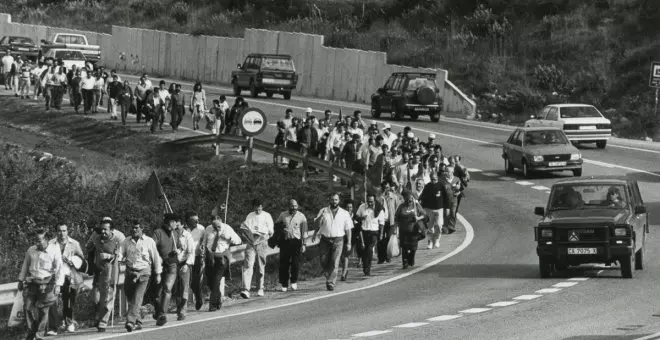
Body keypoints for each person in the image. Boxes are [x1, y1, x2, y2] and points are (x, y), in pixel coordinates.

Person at [18, 228, 63, 340]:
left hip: (47, 283)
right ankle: (32, 330)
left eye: (39, 240)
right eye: (35, 240)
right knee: (27, 307)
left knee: (43, 310)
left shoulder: (54, 250)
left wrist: (58, 285)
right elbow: (25, 266)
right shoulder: (30, 250)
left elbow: (59, 268)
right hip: (33, 282)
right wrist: (20, 280)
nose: (37, 243)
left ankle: (39, 334)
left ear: (46, 240)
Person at [120, 220, 162, 333]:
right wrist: (117, 259)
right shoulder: (126, 241)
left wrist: (158, 273)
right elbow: (120, 255)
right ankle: (138, 322)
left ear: (142, 228)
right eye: (132, 228)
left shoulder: (149, 241)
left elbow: (156, 258)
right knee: (130, 296)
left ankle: (130, 321)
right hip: (130, 272)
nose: (134, 230)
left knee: (137, 297)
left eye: (136, 228)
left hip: (144, 272)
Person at [86, 218, 124, 332]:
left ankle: (103, 323)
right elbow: (89, 247)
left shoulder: (118, 239)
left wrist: (110, 256)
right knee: (96, 299)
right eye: (101, 229)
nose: (103, 232)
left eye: (105, 230)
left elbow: (123, 256)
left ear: (111, 230)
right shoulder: (97, 238)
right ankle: (99, 317)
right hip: (99, 272)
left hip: (111, 272)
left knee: (108, 298)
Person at [46, 223, 85, 335]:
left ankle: (69, 322)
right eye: (59, 230)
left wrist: (73, 261)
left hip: (69, 276)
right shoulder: (51, 244)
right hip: (55, 276)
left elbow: (82, 261)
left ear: (68, 231)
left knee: (68, 301)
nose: (61, 233)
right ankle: (54, 326)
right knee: (53, 301)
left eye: (64, 230)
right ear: (56, 232)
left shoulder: (75, 244)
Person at [312, 193, 353, 291]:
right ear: (329, 200)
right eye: (332, 200)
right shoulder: (323, 211)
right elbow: (316, 224)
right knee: (323, 260)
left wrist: (349, 243)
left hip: (338, 240)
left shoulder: (344, 213)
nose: (334, 201)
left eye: (336, 200)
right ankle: (327, 272)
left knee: (335, 261)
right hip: (325, 240)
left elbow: (348, 229)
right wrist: (314, 234)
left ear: (339, 201)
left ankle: (331, 282)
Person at [201, 216, 242, 311]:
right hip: (210, 257)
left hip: (221, 257)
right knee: (210, 282)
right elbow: (204, 242)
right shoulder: (208, 228)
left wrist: (228, 237)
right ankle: (218, 298)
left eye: (217, 226)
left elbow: (238, 240)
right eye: (214, 226)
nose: (216, 228)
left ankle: (212, 304)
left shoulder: (227, 228)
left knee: (216, 280)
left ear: (221, 222)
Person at [239, 199, 274, 298]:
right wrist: (249, 235)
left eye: (260, 206)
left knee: (260, 266)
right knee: (248, 265)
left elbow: (271, 231)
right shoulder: (250, 215)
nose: (258, 208)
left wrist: (262, 233)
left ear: (262, 206)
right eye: (256, 206)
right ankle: (246, 289)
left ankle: (260, 288)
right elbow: (245, 228)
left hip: (262, 242)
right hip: (251, 243)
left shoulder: (267, 216)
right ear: (254, 207)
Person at [151, 213, 181, 326]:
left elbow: (180, 246)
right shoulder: (158, 232)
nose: (175, 224)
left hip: (172, 264)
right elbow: (152, 248)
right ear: (168, 222)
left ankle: (162, 314)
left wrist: (178, 250)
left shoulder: (176, 233)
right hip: (159, 264)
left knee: (167, 289)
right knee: (157, 294)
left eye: (176, 221)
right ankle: (158, 311)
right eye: (173, 221)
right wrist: (158, 259)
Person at [275, 199, 308, 292]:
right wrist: (282, 230)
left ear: (297, 206)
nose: (293, 208)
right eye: (291, 206)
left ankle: (294, 281)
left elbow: (304, 231)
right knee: (283, 264)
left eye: (295, 206)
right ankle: (284, 283)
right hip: (285, 241)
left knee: (295, 263)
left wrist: (304, 244)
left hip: (296, 241)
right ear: (288, 206)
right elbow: (276, 226)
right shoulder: (283, 215)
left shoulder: (302, 216)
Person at [355, 193, 386, 276]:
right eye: (368, 201)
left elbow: (382, 223)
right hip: (364, 231)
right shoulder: (362, 207)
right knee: (364, 250)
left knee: (369, 249)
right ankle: (365, 266)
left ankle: (367, 267)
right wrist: (362, 218)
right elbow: (356, 217)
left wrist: (381, 234)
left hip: (374, 232)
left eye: (371, 201)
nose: (370, 203)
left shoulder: (379, 209)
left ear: (374, 200)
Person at [395, 189, 426, 269]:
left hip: (414, 230)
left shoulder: (416, 205)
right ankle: (404, 262)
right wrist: (396, 229)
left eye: (410, 197)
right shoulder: (401, 206)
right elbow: (396, 218)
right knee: (404, 247)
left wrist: (418, 218)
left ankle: (411, 259)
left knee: (413, 248)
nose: (409, 199)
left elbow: (424, 214)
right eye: (407, 197)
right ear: (404, 198)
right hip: (403, 231)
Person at [172, 215, 195, 321]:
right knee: (176, 288)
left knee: (184, 288)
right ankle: (178, 308)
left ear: (182, 225)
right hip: (173, 264)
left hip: (184, 263)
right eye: (174, 227)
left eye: (178, 226)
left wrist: (187, 264)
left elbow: (191, 251)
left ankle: (183, 310)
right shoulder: (171, 235)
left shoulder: (187, 236)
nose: (176, 228)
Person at [184, 212, 207, 311]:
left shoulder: (201, 228)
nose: (197, 222)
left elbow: (204, 240)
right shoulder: (183, 229)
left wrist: (202, 246)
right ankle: (182, 305)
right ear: (189, 221)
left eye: (198, 220)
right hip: (185, 258)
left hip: (197, 257)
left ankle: (198, 298)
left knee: (195, 280)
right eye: (195, 220)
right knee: (186, 281)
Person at [377, 181, 402, 263]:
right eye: (384, 188)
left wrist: (397, 221)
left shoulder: (394, 197)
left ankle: (388, 256)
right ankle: (381, 257)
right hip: (382, 221)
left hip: (391, 221)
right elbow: (377, 205)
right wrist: (381, 196)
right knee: (380, 239)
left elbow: (398, 208)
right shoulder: (380, 197)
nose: (386, 189)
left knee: (388, 238)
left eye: (387, 187)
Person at [419, 172, 444, 249]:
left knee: (439, 225)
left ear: (437, 178)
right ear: (430, 178)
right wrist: (422, 207)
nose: (433, 181)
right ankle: (430, 241)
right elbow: (423, 197)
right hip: (429, 209)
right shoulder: (427, 186)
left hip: (439, 209)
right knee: (430, 227)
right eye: (432, 179)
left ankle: (437, 240)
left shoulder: (441, 185)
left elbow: (446, 197)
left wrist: (447, 208)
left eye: (435, 179)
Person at [339, 199, 360, 281]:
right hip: (341, 237)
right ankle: (345, 269)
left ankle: (344, 273)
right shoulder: (341, 216)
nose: (349, 209)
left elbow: (358, 228)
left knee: (346, 255)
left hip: (351, 239)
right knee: (341, 256)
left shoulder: (355, 217)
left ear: (352, 208)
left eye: (350, 207)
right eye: (347, 207)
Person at [441, 166, 462, 234]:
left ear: (452, 172)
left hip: (453, 199)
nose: (445, 172)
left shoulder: (457, 179)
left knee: (453, 212)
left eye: (447, 171)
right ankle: (445, 227)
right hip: (445, 200)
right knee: (446, 214)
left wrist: (458, 192)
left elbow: (460, 190)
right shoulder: (442, 180)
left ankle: (451, 227)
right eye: (445, 171)